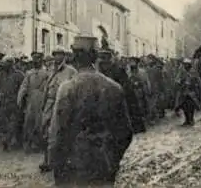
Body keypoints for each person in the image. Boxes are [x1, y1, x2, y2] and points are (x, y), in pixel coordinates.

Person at [48, 36, 134, 186]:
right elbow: (125, 132)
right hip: (104, 164)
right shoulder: (114, 88)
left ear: (74, 56)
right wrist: (113, 159)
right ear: (96, 57)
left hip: (75, 166)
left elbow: (57, 133)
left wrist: (57, 166)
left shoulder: (67, 88)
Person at [40, 47, 77, 172]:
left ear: (64, 57)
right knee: (46, 131)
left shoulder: (71, 71)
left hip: (62, 103)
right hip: (49, 103)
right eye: (55, 55)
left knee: (61, 131)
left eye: (60, 55)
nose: (57, 57)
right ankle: (47, 160)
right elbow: (46, 87)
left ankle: (61, 161)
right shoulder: (50, 70)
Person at [17, 52, 50, 153]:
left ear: (41, 60)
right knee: (29, 121)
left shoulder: (47, 73)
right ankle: (29, 143)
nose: (36, 61)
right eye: (34, 59)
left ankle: (40, 144)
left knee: (40, 122)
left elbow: (48, 87)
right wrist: (20, 97)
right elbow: (24, 86)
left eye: (38, 59)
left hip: (42, 99)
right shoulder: (29, 73)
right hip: (31, 100)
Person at [174, 58, 201, 126]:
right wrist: (179, 81)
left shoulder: (193, 72)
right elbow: (177, 79)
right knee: (184, 106)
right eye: (184, 64)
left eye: (187, 64)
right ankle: (187, 120)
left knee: (191, 106)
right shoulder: (181, 71)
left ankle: (191, 119)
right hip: (183, 92)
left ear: (189, 65)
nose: (185, 66)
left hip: (192, 92)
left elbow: (199, 80)